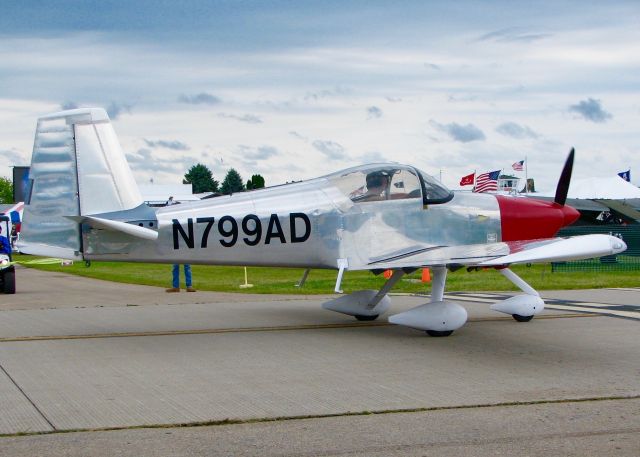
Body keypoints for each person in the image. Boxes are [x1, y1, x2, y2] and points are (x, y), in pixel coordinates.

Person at [165, 196, 196, 292]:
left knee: (184, 266)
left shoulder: (182, 221)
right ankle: (180, 286)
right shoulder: (177, 221)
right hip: (178, 245)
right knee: (179, 267)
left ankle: (186, 285)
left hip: (182, 245)